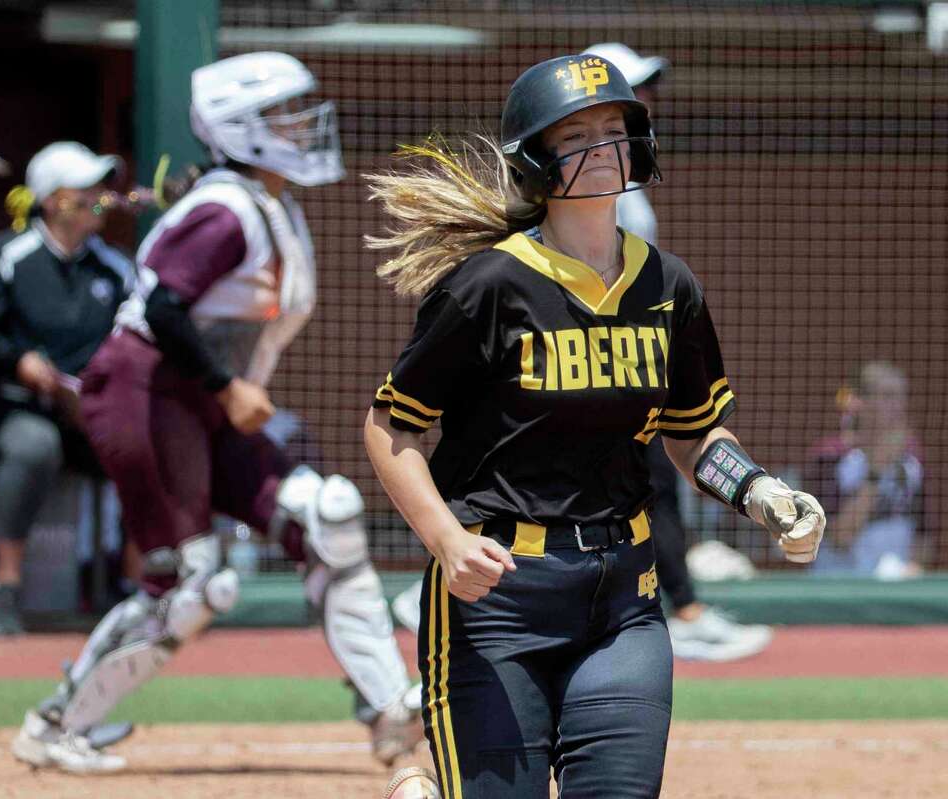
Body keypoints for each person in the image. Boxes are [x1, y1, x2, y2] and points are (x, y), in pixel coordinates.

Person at [363, 53, 826, 797]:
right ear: (536, 162)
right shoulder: (488, 286)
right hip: (496, 600)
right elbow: (392, 429)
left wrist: (761, 492)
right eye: (578, 136)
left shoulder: (668, 285)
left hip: (623, 600)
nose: (606, 146)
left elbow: (693, 432)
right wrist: (445, 540)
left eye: (617, 129)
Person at [10, 51, 421, 774]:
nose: (304, 124)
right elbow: (163, 306)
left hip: (195, 400)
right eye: (285, 113)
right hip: (146, 393)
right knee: (195, 583)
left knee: (323, 515)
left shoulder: (261, 202)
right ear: (242, 128)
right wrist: (228, 388)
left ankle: (390, 709)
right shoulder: (230, 211)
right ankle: (55, 723)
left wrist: (222, 391)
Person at [586, 41, 773, 661]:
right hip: (590, 371)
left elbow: (700, 440)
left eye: (643, 96)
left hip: (634, 370)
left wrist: (755, 490)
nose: (646, 106)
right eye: (628, 96)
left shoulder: (633, 197)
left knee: (660, 481)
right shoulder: (572, 197)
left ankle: (680, 608)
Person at [0, 141, 133, 636]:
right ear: (54, 200)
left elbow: (133, 343)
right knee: (34, 446)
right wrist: (20, 363)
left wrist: (96, 393)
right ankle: (3, 589)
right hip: (9, 408)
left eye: (103, 190)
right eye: (88, 191)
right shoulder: (5, 254)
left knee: (145, 441)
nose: (101, 199)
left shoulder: (115, 267)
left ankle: (144, 592)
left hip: (89, 411)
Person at [806, 362, 922, 577]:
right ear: (861, 402)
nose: (897, 406)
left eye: (901, 397)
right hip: (840, 586)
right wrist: (877, 470)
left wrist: (915, 565)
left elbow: (924, 531)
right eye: (887, 396)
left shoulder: (912, 461)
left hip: (896, 589)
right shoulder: (829, 456)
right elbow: (839, 537)